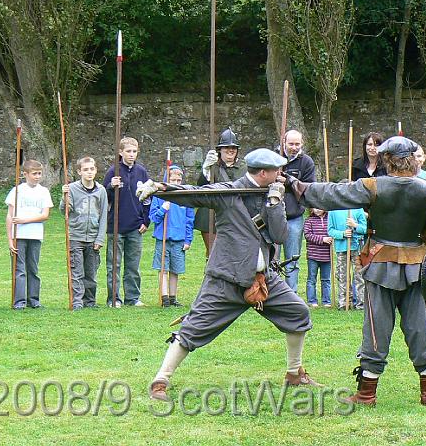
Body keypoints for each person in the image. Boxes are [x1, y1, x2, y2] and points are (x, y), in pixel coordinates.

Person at [138, 148, 321, 402]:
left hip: (262, 279)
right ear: (264, 172)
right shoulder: (228, 192)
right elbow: (193, 194)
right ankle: (160, 380)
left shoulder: (273, 194)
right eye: (277, 171)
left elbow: (280, 236)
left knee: (298, 313)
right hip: (226, 279)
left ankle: (294, 374)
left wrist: (276, 203)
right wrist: (159, 187)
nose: (282, 174)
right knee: (192, 329)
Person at [288, 136, 426, 406]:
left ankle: (366, 393)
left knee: (376, 328)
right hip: (417, 268)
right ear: (411, 160)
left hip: (380, 267)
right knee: (421, 327)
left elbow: (333, 194)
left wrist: (298, 186)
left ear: (387, 161)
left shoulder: (372, 186)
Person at [103, 136, 150, 307]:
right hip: (115, 226)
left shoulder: (141, 172)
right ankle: (114, 298)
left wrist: (146, 220)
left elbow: (147, 199)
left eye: (134, 151)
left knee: (133, 266)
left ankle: (133, 297)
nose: (131, 155)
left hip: (136, 226)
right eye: (128, 151)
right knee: (113, 265)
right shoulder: (113, 172)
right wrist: (110, 186)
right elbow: (104, 199)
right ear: (120, 152)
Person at [60, 157, 108, 310]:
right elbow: (65, 211)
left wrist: (100, 238)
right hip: (76, 236)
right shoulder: (72, 188)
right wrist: (64, 197)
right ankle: (77, 302)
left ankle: (90, 301)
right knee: (77, 271)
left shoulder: (101, 191)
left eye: (92, 169)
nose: (89, 172)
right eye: (86, 169)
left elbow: (103, 217)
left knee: (91, 272)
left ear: (95, 171)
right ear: (79, 172)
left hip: (93, 237)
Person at [5, 159, 53, 310]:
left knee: (33, 268)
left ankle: (34, 299)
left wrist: (25, 220)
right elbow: (10, 216)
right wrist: (10, 238)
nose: (37, 176)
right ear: (25, 174)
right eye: (34, 174)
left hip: (35, 235)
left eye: (39, 173)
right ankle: (19, 301)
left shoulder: (44, 191)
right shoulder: (17, 191)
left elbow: (45, 215)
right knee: (19, 269)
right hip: (19, 235)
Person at [195, 128, 246, 260]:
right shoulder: (212, 167)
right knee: (213, 255)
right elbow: (201, 187)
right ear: (220, 150)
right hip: (212, 217)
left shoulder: (244, 168)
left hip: (235, 215)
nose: (230, 150)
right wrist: (206, 169)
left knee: (234, 255)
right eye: (226, 147)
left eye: (233, 148)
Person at [149, 165, 195, 307]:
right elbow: (154, 218)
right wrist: (163, 209)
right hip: (163, 239)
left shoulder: (185, 197)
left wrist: (188, 239)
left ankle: (173, 297)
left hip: (179, 240)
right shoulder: (159, 196)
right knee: (163, 269)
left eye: (178, 180)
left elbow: (189, 220)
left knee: (176, 270)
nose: (175, 183)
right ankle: (165, 298)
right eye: (172, 180)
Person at [278, 129, 316, 293]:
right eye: (291, 144)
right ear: (284, 142)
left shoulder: (306, 162)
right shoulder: (274, 158)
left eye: (297, 144)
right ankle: (270, 293)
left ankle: (290, 294)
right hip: (273, 216)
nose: (294, 147)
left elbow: (307, 189)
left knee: (292, 258)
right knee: (271, 257)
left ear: (302, 144)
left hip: (294, 217)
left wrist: (288, 182)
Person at [328, 202, 367, 309]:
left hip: (356, 246)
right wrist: (342, 234)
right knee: (342, 275)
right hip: (341, 248)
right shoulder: (333, 210)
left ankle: (361, 303)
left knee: (359, 275)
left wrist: (355, 226)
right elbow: (330, 230)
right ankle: (344, 302)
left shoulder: (358, 209)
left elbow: (364, 229)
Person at [303, 208, 333, 307]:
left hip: (327, 256)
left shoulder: (330, 219)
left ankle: (326, 301)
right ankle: (312, 300)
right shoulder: (309, 220)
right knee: (312, 279)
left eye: (319, 207)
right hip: (313, 255)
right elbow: (308, 235)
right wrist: (322, 239)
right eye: (315, 208)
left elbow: (332, 232)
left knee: (326, 279)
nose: (317, 210)